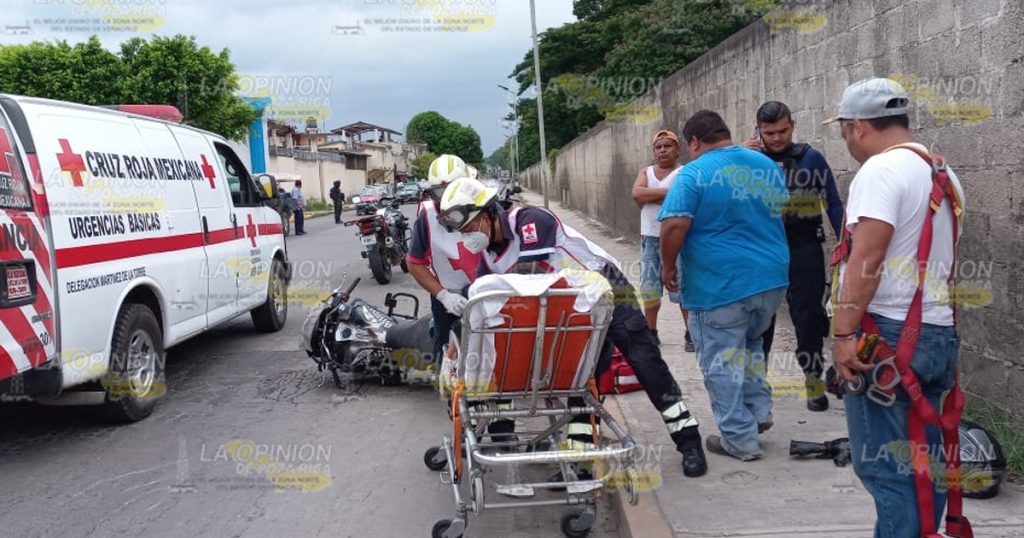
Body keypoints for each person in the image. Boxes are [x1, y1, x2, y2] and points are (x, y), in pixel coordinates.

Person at [437, 177, 708, 478]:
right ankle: (581, 461)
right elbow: (480, 295)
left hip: (607, 291)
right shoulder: (488, 257)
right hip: (572, 309)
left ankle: (689, 440)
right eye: (462, 232)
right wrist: (458, 334)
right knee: (583, 380)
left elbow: (528, 277)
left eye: (470, 227)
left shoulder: (530, 220)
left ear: (489, 212)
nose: (467, 237)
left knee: (646, 362)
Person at [825, 77, 967, 537]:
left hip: (885, 336)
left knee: (889, 473)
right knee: (926, 462)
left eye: (843, 130)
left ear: (858, 127)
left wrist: (844, 333)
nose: (846, 140)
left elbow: (867, 257)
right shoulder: (942, 173)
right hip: (937, 334)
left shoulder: (880, 171)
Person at [659, 110, 789, 462]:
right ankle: (759, 413)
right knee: (749, 348)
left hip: (719, 286)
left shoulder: (693, 173)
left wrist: (668, 266)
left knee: (721, 362)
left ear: (695, 142)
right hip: (770, 280)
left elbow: (673, 226)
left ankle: (738, 438)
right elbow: (779, 210)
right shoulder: (765, 166)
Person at [741, 101, 845, 412]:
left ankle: (813, 383)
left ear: (793, 125)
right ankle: (758, 390)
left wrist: (847, 247)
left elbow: (834, 203)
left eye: (782, 131)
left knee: (808, 317)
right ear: (758, 130)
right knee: (761, 320)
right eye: (769, 132)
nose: (776, 138)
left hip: (803, 246)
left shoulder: (811, 158)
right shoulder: (746, 160)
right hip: (763, 249)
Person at [631, 128, 694, 351]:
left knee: (682, 288)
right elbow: (637, 194)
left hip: (678, 239)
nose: (662, 150)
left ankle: (690, 334)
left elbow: (684, 195)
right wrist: (669, 195)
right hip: (649, 239)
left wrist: (651, 196)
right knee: (650, 289)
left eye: (668, 146)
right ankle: (651, 332)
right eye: (658, 147)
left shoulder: (685, 172)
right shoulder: (646, 172)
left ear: (678, 150)